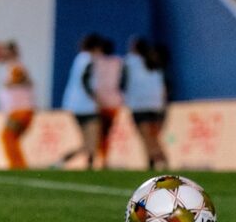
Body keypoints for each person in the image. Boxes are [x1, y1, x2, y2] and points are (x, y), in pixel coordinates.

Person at [123, 37, 167, 170]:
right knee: (153, 136)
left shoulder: (130, 62)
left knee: (147, 137)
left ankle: (160, 160)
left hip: (139, 105)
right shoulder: (155, 63)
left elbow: (122, 82)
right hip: (156, 105)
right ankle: (154, 162)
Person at [61, 33, 102, 168]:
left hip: (75, 105)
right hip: (87, 106)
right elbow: (85, 80)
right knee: (91, 142)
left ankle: (66, 159)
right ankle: (83, 163)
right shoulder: (88, 60)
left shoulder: (79, 58)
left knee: (87, 142)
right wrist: (95, 98)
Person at [85, 36, 124, 169]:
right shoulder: (118, 62)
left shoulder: (95, 61)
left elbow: (87, 80)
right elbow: (123, 82)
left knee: (96, 133)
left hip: (98, 102)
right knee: (105, 133)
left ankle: (94, 158)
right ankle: (102, 159)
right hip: (113, 102)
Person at [0, 42, 35, 170]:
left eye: (5, 51)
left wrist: (13, 81)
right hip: (18, 109)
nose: (1, 54)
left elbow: (23, 79)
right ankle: (18, 166)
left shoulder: (16, 66)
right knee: (11, 138)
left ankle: (18, 167)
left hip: (20, 110)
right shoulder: (11, 67)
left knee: (7, 136)